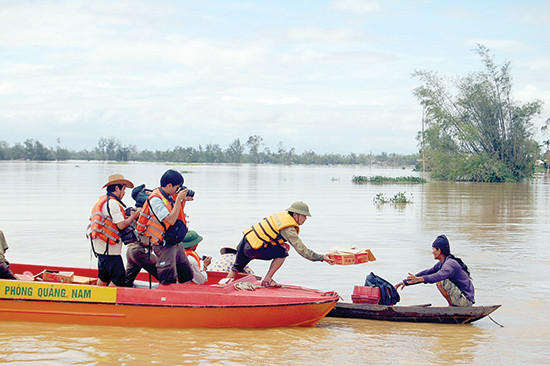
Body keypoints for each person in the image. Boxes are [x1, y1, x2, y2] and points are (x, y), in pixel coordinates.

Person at [225, 201, 334, 287]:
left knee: (236, 269)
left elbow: (266, 232)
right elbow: (301, 250)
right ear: (296, 214)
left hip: (245, 242)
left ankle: (222, 285)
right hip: (253, 249)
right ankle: (267, 279)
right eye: (304, 216)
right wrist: (321, 257)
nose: (305, 219)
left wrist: (277, 243)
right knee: (283, 252)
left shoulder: (281, 216)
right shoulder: (289, 228)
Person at [136, 169, 194, 285]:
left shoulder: (168, 195)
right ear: (168, 185)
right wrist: (178, 199)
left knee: (186, 274)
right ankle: (167, 299)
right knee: (168, 278)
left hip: (174, 241)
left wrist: (183, 200)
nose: (177, 190)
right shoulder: (156, 200)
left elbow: (178, 213)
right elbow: (171, 220)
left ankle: (187, 296)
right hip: (163, 244)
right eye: (176, 187)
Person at [87, 174, 139, 287]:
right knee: (119, 278)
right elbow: (121, 225)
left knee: (104, 276)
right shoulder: (113, 203)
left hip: (100, 248)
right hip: (110, 250)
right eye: (123, 189)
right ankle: (109, 302)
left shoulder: (103, 200)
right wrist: (133, 217)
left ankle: (97, 300)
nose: (124, 193)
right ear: (117, 188)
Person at [395, 234, 475, 307]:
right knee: (438, 279)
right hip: (462, 299)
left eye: (433, 249)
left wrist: (419, 279)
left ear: (439, 250)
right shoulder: (442, 263)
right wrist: (406, 282)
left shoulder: (450, 264)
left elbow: (438, 276)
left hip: (465, 300)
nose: (432, 252)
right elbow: (427, 272)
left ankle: (452, 306)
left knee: (440, 281)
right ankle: (452, 305)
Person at [124, 184, 158, 287]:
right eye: (146, 192)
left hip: (131, 251)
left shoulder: (133, 212)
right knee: (165, 274)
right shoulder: (142, 213)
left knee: (126, 282)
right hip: (140, 251)